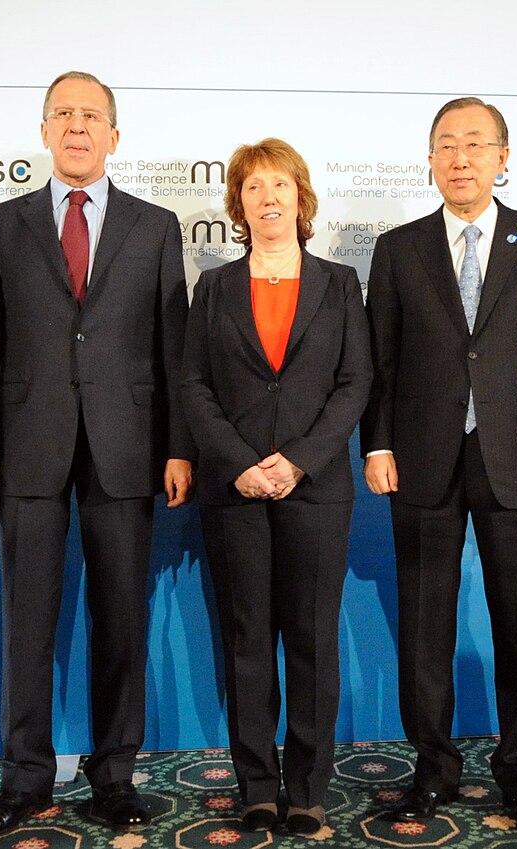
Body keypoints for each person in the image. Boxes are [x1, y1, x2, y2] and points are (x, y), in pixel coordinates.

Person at [0, 71, 193, 835]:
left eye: (92, 115)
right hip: (25, 448)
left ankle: (114, 771)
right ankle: (25, 776)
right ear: (42, 130)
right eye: (63, 113)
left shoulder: (157, 226)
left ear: (115, 137)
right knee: (26, 621)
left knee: (122, 617)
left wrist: (178, 448)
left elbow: (175, 349)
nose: (77, 126)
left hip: (126, 449)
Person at [360, 98, 517, 835]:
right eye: (447, 145)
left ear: (503, 156)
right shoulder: (397, 248)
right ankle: (434, 770)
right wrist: (377, 442)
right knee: (425, 622)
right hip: (420, 458)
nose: (461, 157)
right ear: (429, 159)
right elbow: (380, 361)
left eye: (476, 144)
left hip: (516, 454)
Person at [180, 138, 372, 836]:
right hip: (235, 490)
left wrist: (297, 460)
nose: (268, 199)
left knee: (313, 639)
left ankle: (309, 788)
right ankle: (258, 784)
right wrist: (239, 462)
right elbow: (194, 384)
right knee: (248, 641)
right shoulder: (215, 287)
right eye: (254, 188)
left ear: (301, 198)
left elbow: (355, 382)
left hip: (315, 489)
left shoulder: (340, 284)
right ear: (239, 204)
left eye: (280, 186)